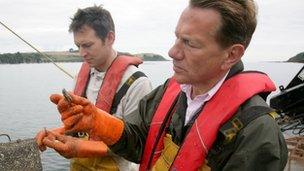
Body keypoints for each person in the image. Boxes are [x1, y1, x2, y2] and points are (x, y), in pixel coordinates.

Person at [41, 0, 288, 170]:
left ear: (231, 55)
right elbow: (140, 142)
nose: (172, 52)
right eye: (176, 37)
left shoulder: (257, 133)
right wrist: (97, 121)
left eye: (190, 44)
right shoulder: (170, 91)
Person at [35, 5, 152, 171]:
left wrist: (80, 148)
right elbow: (79, 129)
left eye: (88, 45)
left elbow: (137, 144)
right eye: (78, 46)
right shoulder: (81, 77)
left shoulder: (137, 84)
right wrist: (53, 134)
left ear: (110, 38)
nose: (82, 53)